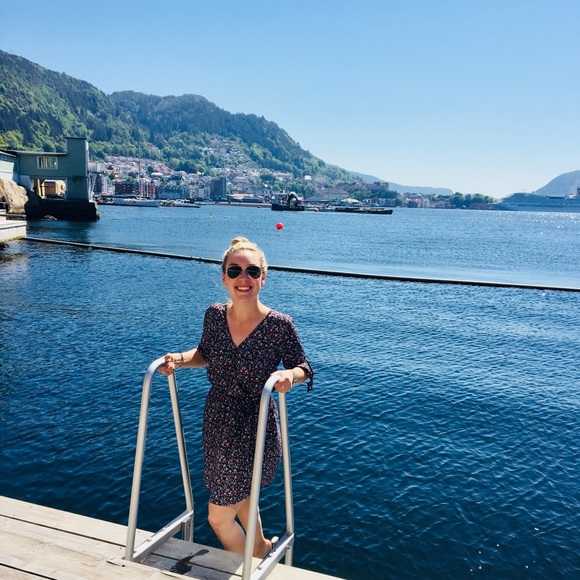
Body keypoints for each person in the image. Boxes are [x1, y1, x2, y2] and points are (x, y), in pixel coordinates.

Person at [158, 236, 313, 559]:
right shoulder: (214, 315)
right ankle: (260, 547)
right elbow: (205, 353)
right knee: (239, 493)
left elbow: (304, 367)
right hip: (218, 419)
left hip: (255, 424)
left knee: (218, 516)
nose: (244, 278)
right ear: (224, 278)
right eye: (235, 271)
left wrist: (289, 375)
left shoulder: (279, 325)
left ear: (263, 278)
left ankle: (249, 569)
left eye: (252, 271)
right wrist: (179, 359)